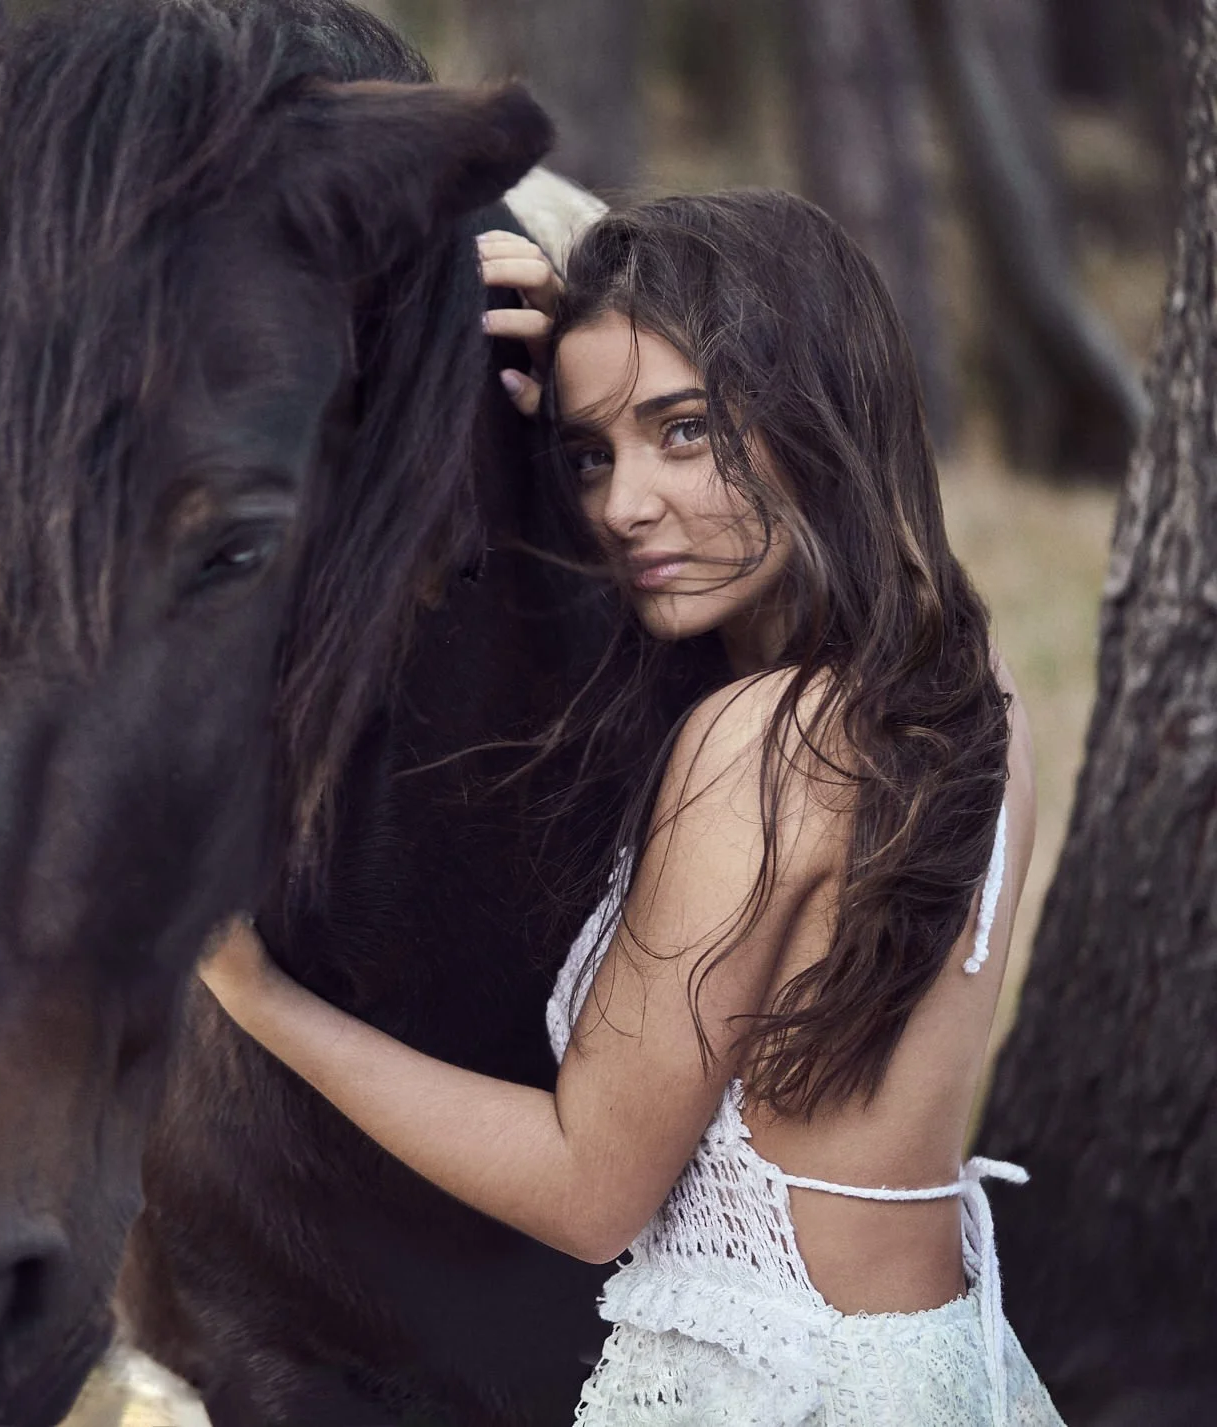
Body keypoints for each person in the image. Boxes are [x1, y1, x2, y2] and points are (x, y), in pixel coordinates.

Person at [199, 190, 1064, 1425]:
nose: (619, 506)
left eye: (685, 430)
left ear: (816, 411)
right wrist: (593, 361)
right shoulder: (964, 692)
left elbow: (588, 1183)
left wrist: (253, 995)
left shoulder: (754, 744)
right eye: (590, 455)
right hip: (941, 1373)